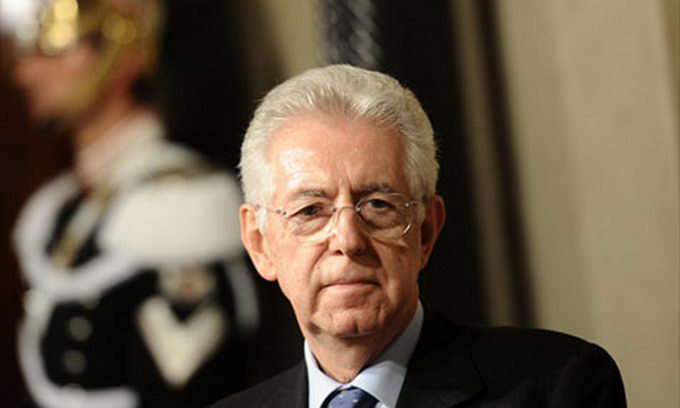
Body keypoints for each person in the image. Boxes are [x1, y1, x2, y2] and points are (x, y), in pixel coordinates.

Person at [209, 64, 627, 408]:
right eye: (310, 211)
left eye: (378, 205)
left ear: (426, 231)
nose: (348, 240)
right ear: (260, 243)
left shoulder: (556, 386)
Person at [7, 0, 260, 406]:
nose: (26, 73)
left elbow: (191, 389)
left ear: (125, 54)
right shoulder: (64, 207)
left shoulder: (176, 205)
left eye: (55, 45)